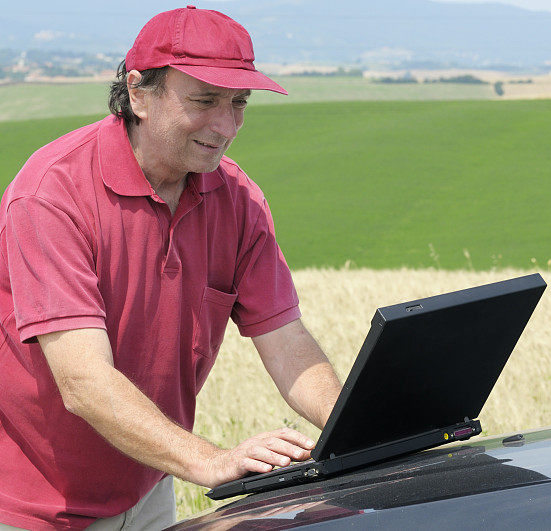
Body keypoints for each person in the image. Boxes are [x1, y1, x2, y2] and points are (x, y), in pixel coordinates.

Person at [0, 6, 342, 530]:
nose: (226, 126)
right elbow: (83, 380)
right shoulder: (51, 194)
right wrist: (211, 461)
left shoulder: (239, 199)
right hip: (35, 503)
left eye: (238, 103)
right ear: (138, 92)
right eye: (205, 101)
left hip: (149, 480)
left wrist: (360, 428)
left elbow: (288, 343)